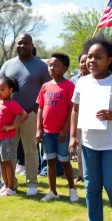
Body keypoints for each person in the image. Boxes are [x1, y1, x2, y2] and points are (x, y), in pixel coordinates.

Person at [69, 36, 112, 221]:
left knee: (111, 185)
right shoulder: (82, 82)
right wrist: (73, 137)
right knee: (91, 187)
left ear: (109, 60)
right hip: (89, 143)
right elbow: (75, 110)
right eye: (90, 56)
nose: (92, 60)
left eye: (98, 57)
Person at [0, 33, 50, 196]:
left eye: (26, 43)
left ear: (32, 45)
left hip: (30, 114)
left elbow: (47, 88)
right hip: (9, 115)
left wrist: (37, 108)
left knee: (30, 150)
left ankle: (32, 184)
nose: (22, 46)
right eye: (20, 43)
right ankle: (10, 184)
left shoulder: (41, 66)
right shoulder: (7, 65)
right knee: (9, 150)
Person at [36, 52, 78, 202]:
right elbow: (40, 108)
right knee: (50, 162)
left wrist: (65, 129)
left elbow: (72, 109)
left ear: (64, 68)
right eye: (50, 65)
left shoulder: (69, 86)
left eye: (55, 65)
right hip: (47, 132)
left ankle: (72, 189)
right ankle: (52, 191)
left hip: (62, 133)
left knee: (65, 161)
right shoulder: (45, 86)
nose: (51, 68)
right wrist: (39, 129)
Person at [0, 77, 28, 197]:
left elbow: (24, 115)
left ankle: (11, 189)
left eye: (2, 89)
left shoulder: (12, 103)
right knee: (2, 162)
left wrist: (13, 126)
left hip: (7, 138)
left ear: (10, 90)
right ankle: (6, 186)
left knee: (8, 163)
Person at [70, 53, 89, 183]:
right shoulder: (73, 80)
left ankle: (90, 175)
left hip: (92, 119)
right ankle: (81, 174)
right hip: (78, 118)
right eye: (81, 61)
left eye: (86, 61)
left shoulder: (97, 79)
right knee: (79, 149)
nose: (83, 64)